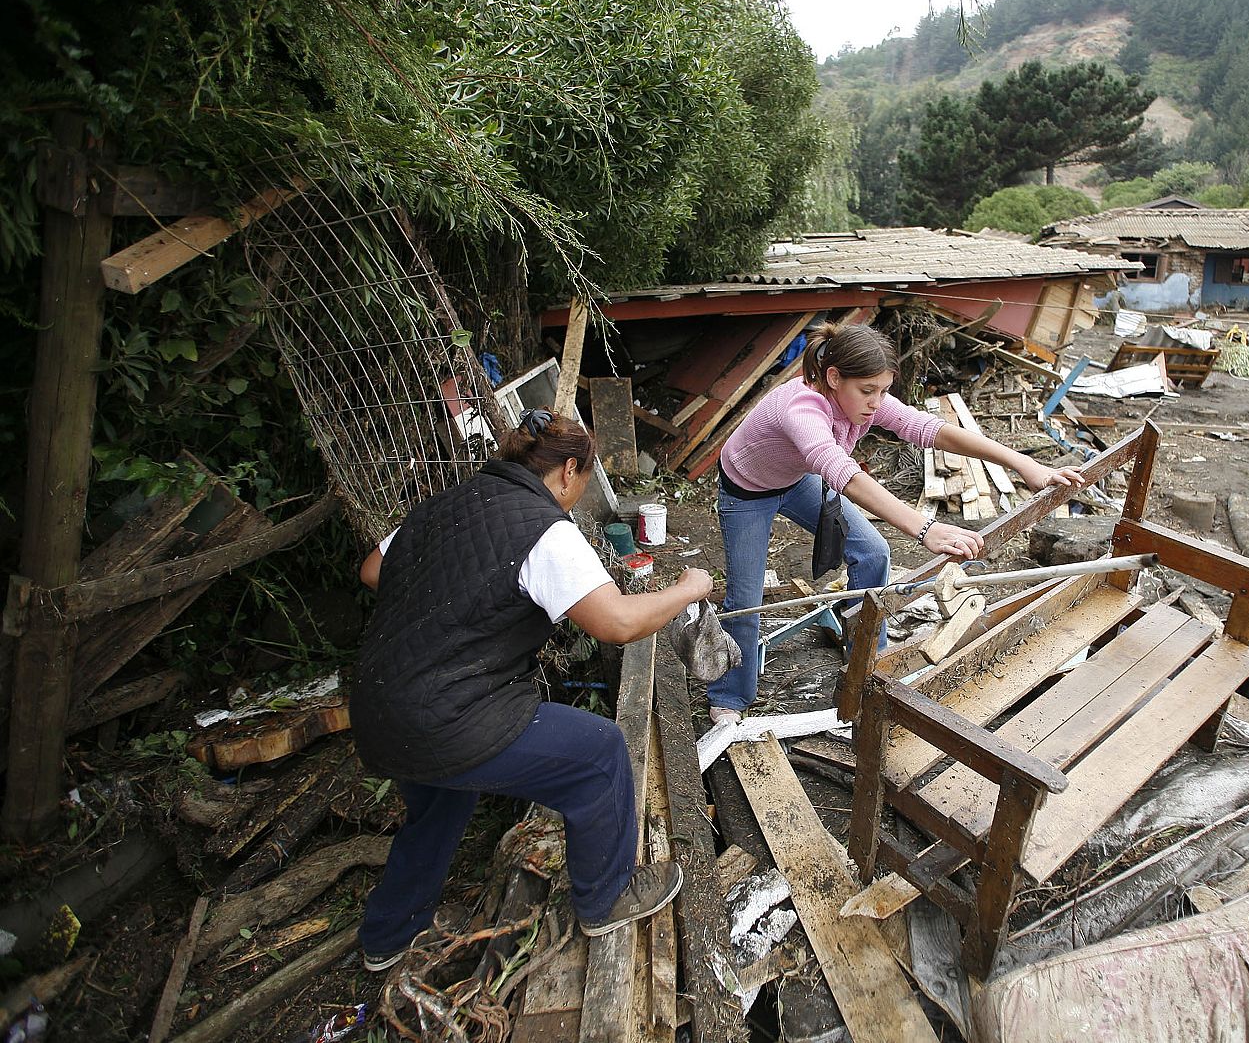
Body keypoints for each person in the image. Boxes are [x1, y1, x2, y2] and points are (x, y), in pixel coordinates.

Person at [352, 409, 713, 971]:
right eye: (584, 480)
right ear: (569, 471)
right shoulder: (545, 530)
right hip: (449, 716)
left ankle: (386, 936)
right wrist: (688, 588)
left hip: (380, 711)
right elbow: (617, 622)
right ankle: (607, 898)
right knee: (600, 754)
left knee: (441, 798)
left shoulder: (445, 504)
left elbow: (374, 570)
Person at [707, 321, 1086, 724]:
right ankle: (730, 695)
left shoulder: (864, 399)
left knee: (873, 554)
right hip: (747, 491)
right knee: (745, 601)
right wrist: (925, 528)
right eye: (868, 391)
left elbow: (931, 429)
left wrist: (1023, 463)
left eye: (884, 391)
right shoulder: (801, 408)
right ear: (833, 378)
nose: (876, 402)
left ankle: (868, 664)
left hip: (797, 478)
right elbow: (844, 474)